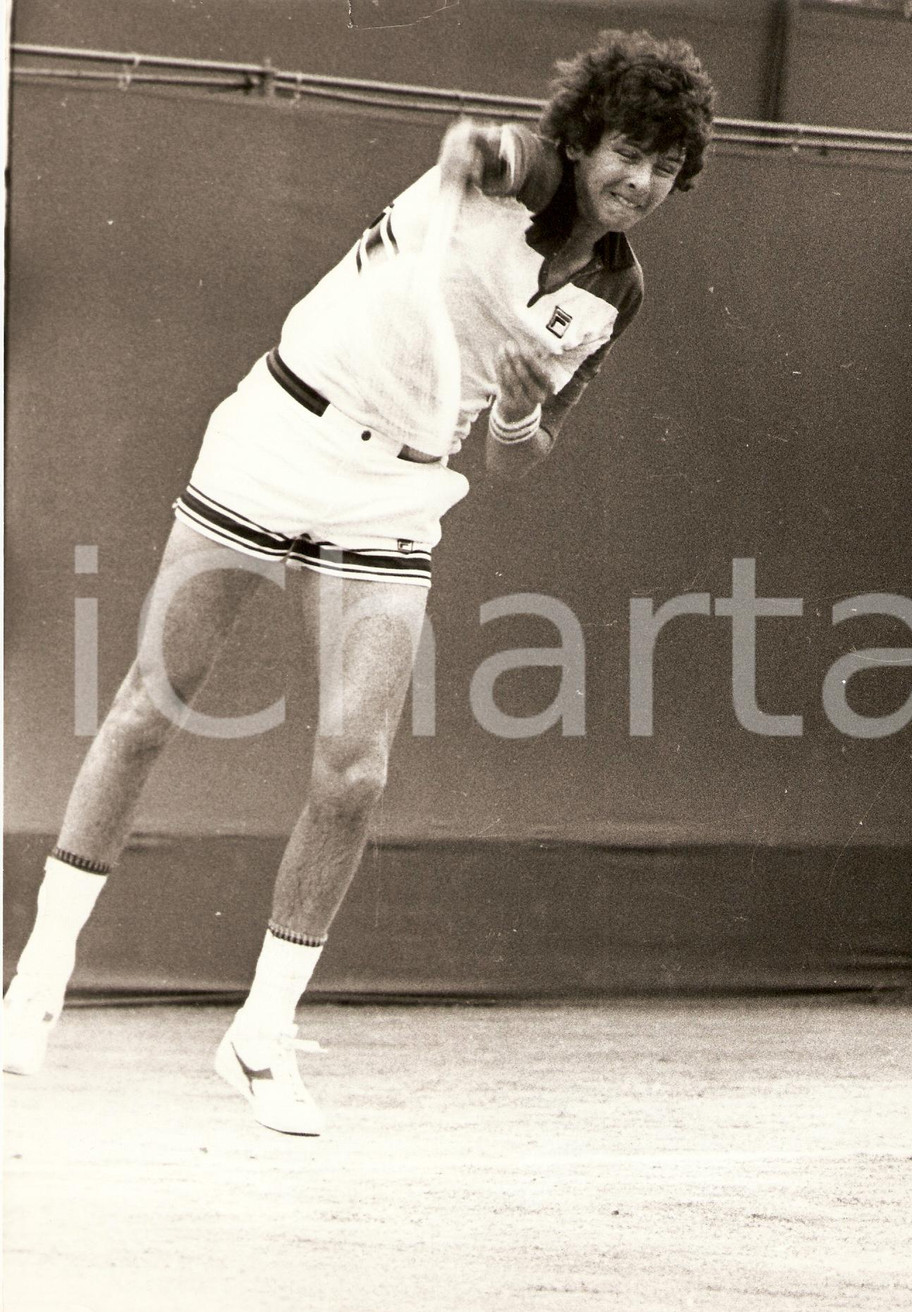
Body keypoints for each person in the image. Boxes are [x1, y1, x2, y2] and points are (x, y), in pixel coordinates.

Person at [3, 30, 715, 1134]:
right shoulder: (524, 168)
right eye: (628, 151)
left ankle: (260, 1035)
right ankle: (41, 971)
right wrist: (471, 147)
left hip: (396, 493)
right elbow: (482, 150)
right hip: (278, 435)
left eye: (667, 167)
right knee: (155, 705)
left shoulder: (615, 294)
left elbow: (518, 455)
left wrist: (521, 402)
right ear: (582, 141)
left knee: (354, 772)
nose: (642, 181)